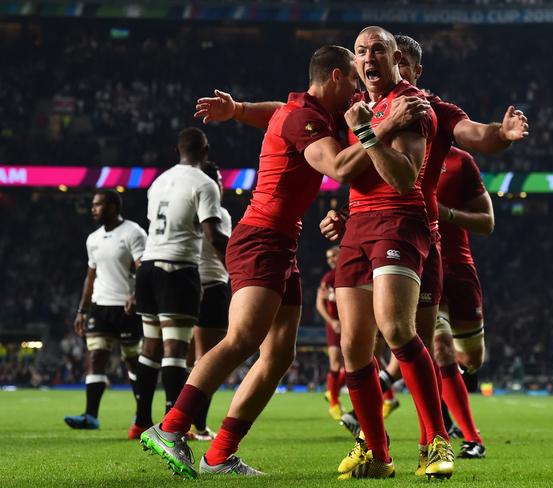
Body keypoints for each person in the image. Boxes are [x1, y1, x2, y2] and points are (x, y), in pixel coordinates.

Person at [139, 45, 426, 479]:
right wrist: (385, 127)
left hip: (282, 244)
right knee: (242, 338)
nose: (357, 92)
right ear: (334, 76)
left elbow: (272, 111)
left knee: (277, 355)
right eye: (351, 80)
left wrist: (237, 110)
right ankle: (171, 426)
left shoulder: (306, 111)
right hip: (260, 238)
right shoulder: (303, 119)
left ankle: (219, 456)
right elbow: (339, 169)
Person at [323, 34, 527, 472]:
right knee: (357, 346)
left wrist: (502, 135)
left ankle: (438, 440)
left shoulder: (417, 107)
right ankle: (377, 451)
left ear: (402, 63)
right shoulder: (363, 105)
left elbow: (426, 165)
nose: (368, 59)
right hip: (364, 226)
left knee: (411, 336)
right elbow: (346, 164)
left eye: (378, 51)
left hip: (409, 227)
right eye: (361, 52)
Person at [130, 128, 227, 440]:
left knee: (150, 347)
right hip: (177, 269)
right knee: (175, 349)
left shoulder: (159, 181)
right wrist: (239, 261)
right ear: (206, 150)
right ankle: (176, 426)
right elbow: (212, 236)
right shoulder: (204, 183)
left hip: (148, 267)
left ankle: (141, 421)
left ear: (177, 150)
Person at [64, 190, 146, 435]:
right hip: (100, 306)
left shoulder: (134, 232)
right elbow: (91, 276)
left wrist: (136, 296)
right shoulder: (93, 239)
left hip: (126, 307)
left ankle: (142, 414)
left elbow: (143, 268)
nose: (93, 209)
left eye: (98, 205)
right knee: (96, 357)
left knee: (132, 360)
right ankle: (91, 416)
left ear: (113, 206)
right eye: (93, 205)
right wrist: (82, 310)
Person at [436, 146, 493, 458]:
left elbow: (487, 222)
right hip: (421, 267)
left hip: (459, 267)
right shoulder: (396, 152)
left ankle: (463, 382)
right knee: (441, 348)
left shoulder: (460, 161)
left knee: (471, 359)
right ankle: (472, 438)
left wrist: (447, 214)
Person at [187, 161, 233, 441]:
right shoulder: (218, 213)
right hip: (212, 286)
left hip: (185, 286)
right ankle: (197, 426)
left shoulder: (185, 209)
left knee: (184, 359)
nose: (220, 185)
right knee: (209, 360)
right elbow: (219, 247)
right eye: (216, 179)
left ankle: (176, 419)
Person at [315, 245, 346, 420]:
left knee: (351, 365)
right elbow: (319, 304)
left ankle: (331, 392)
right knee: (335, 363)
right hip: (335, 325)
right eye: (328, 257)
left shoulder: (350, 271)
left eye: (334, 255)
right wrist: (332, 321)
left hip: (351, 322)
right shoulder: (328, 278)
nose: (331, 260)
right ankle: (334, 402)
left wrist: (334, 297)